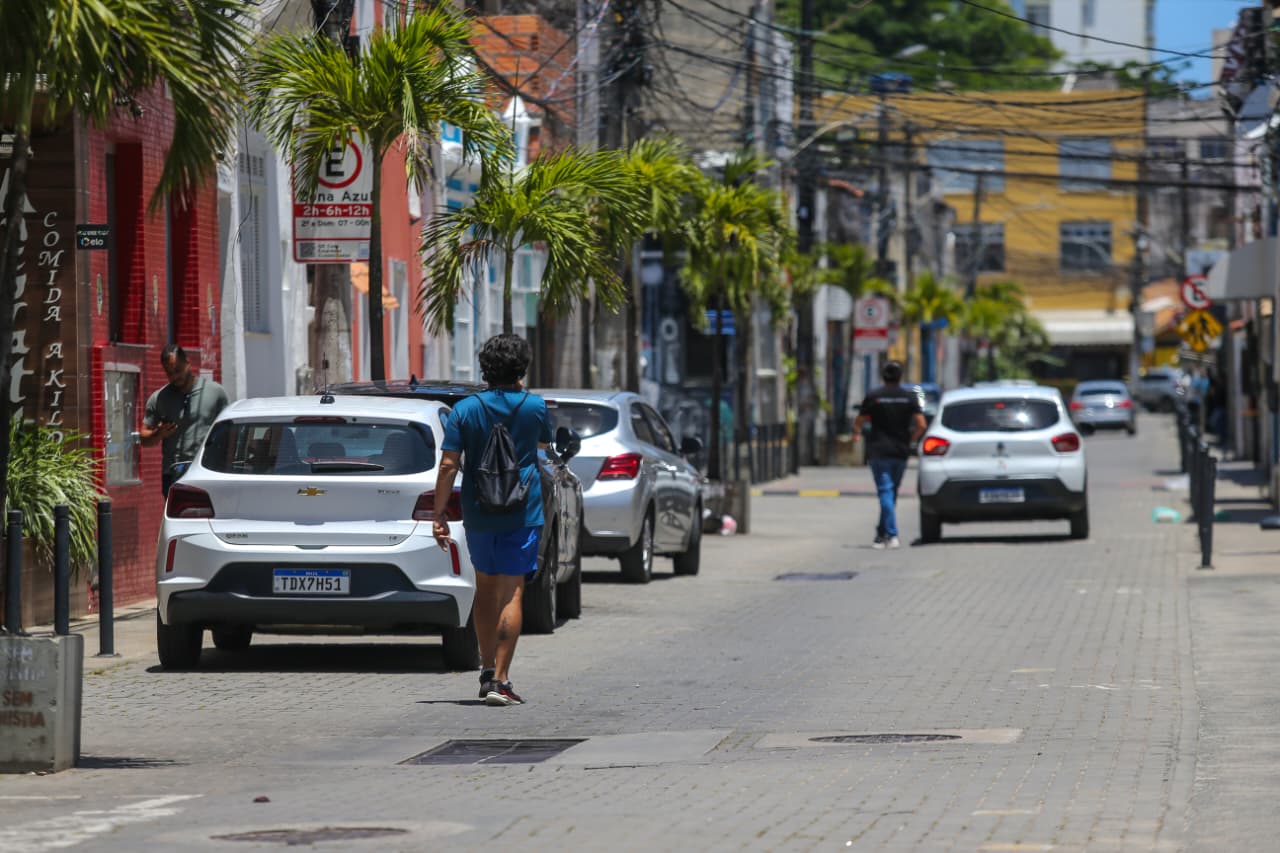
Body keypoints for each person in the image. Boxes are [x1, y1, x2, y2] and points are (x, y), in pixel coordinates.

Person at [432, 334, 552, 707]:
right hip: (522, 510)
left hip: (479, 511)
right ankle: (501, 680)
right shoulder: (534, 407)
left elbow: (449, 463)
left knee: (484, 589)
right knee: (513, 590)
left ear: (484, 368)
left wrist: (438, 515)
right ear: (522, 368)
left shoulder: (465, 410)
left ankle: (486, 673)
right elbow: (545, 448)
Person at [852, 361, 927, 549]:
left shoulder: (874, 396)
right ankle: (881, 534)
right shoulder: (908, 397)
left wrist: (856, 434)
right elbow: (922, 425)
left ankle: (891, 535)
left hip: (878, 451)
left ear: (883, 376)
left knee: (886, 492)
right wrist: (911, 440)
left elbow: (859, 421)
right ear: (901, 376)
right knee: (890, 492)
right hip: (900, 451)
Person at [140, 344, 229, 497]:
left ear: (188, 363)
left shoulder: (216, 393)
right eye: (169, 373)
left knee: (205, 520)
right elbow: (144, 438)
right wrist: (159, 433)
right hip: (173, 475)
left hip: (207, 471)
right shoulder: (159, 398)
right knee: (178, 521)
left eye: (178, 370)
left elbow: (228, 433)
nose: (175, 377)